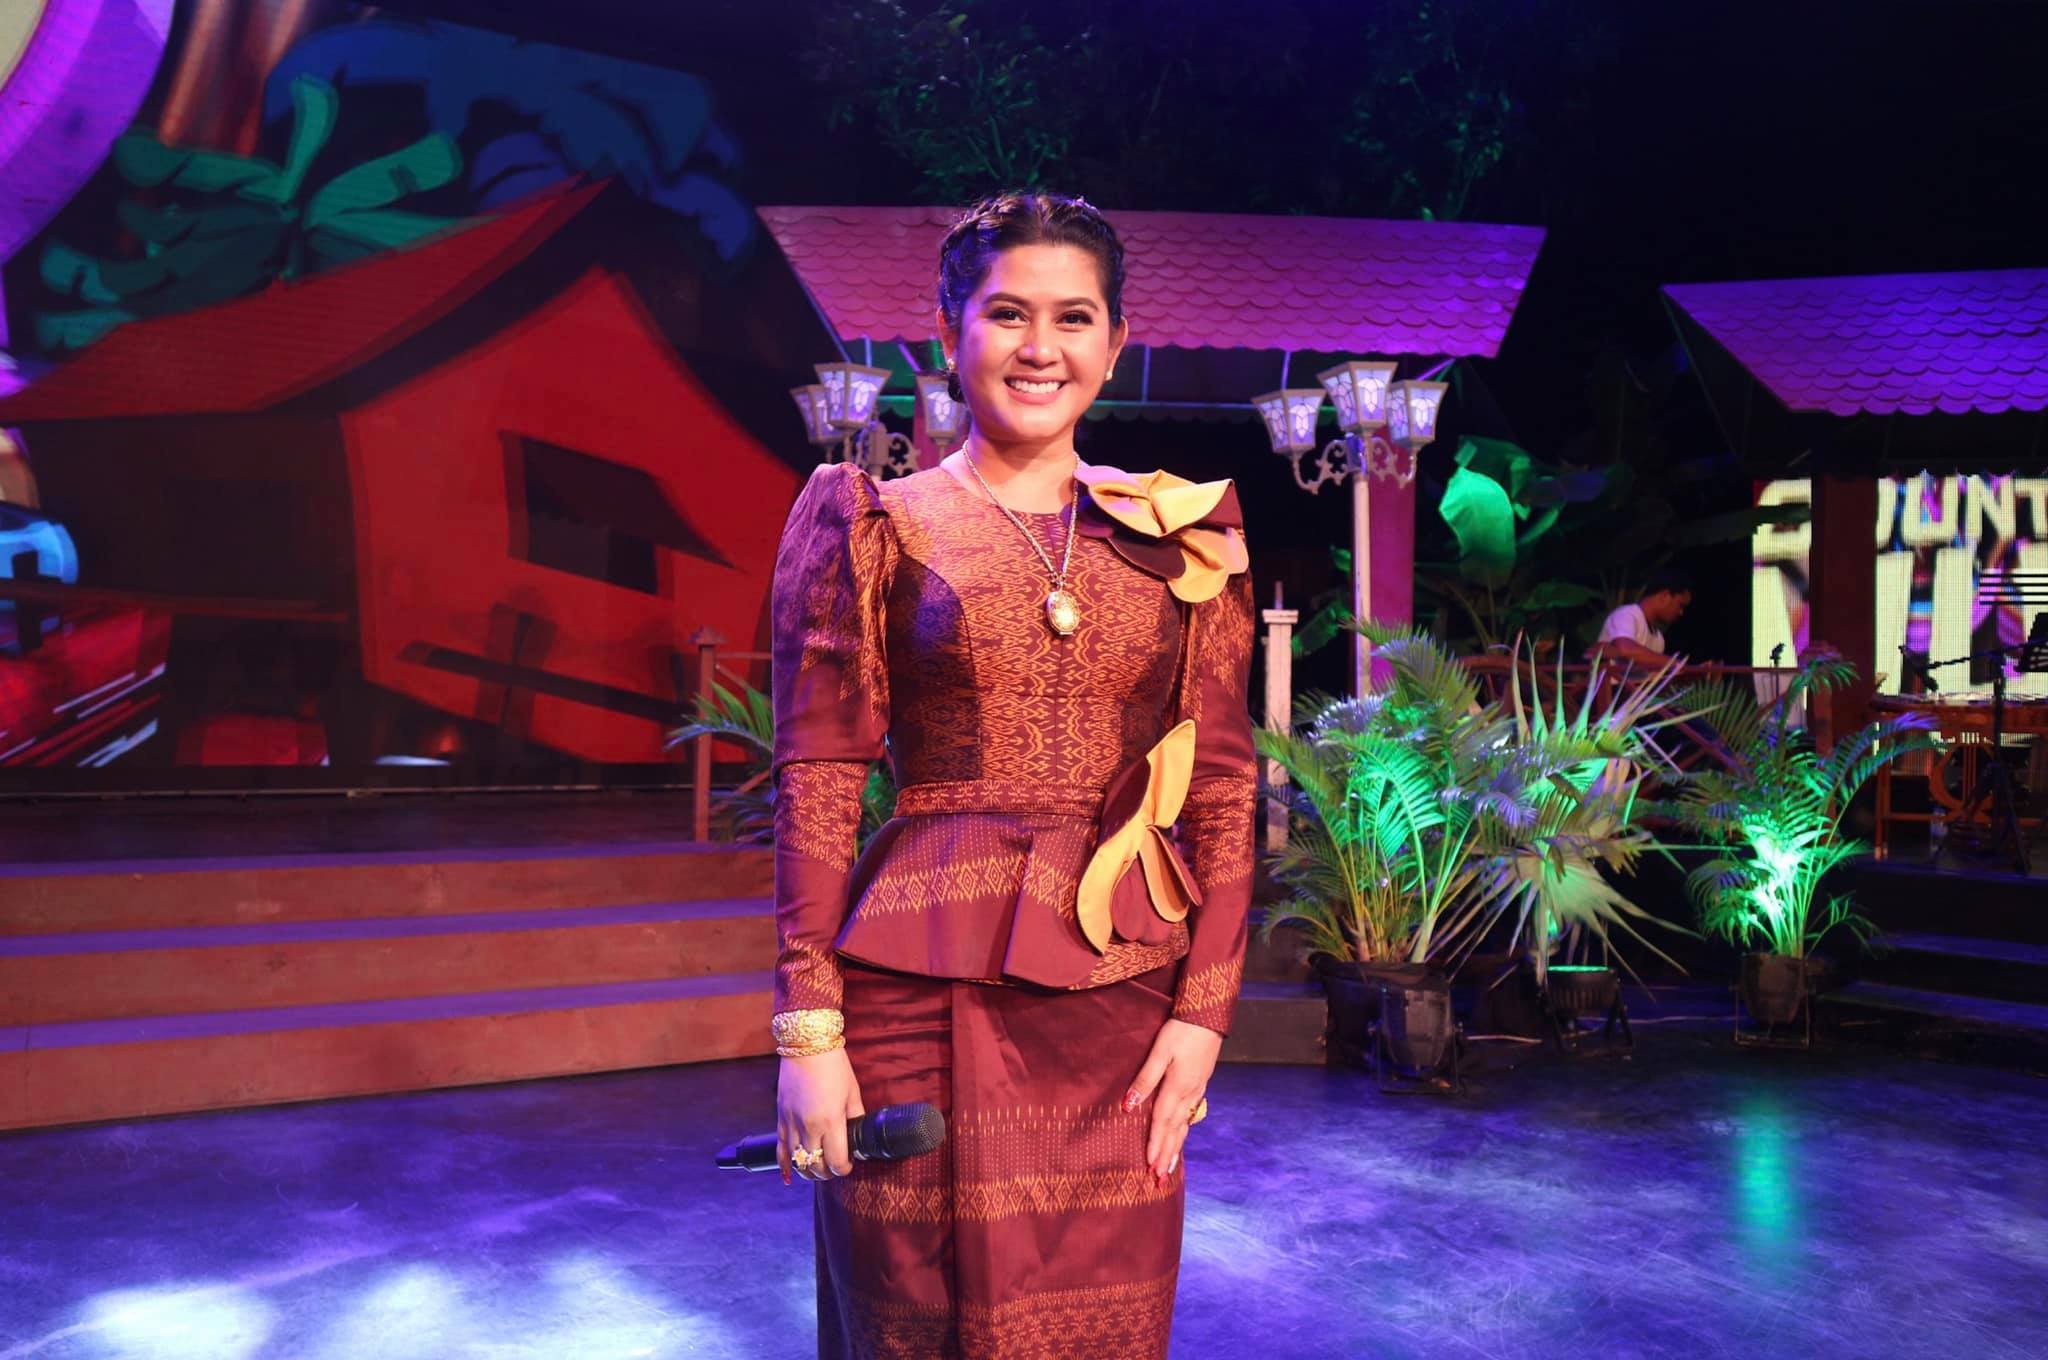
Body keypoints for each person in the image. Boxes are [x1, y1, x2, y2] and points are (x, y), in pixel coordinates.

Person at [766, 191, 1256, 1358]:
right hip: (912, 998)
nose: (1040, 347)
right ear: (949, 333)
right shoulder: (874, 523)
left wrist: (1204, 1016)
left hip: (1122, 1001)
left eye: (1072, 317)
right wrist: (808, 1032)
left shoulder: (1180, 536)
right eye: (1006, 314)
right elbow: (819, 778)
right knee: (915, 1315)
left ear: (1113, 343)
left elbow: (1223, 789)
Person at [1593, 568, 1692, 667]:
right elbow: (1625, 650)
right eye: (1680, 605)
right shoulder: (1626, 614)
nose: (1681, 612)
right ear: (1664, 596)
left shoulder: (1659, 640)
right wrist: (1677, 664)